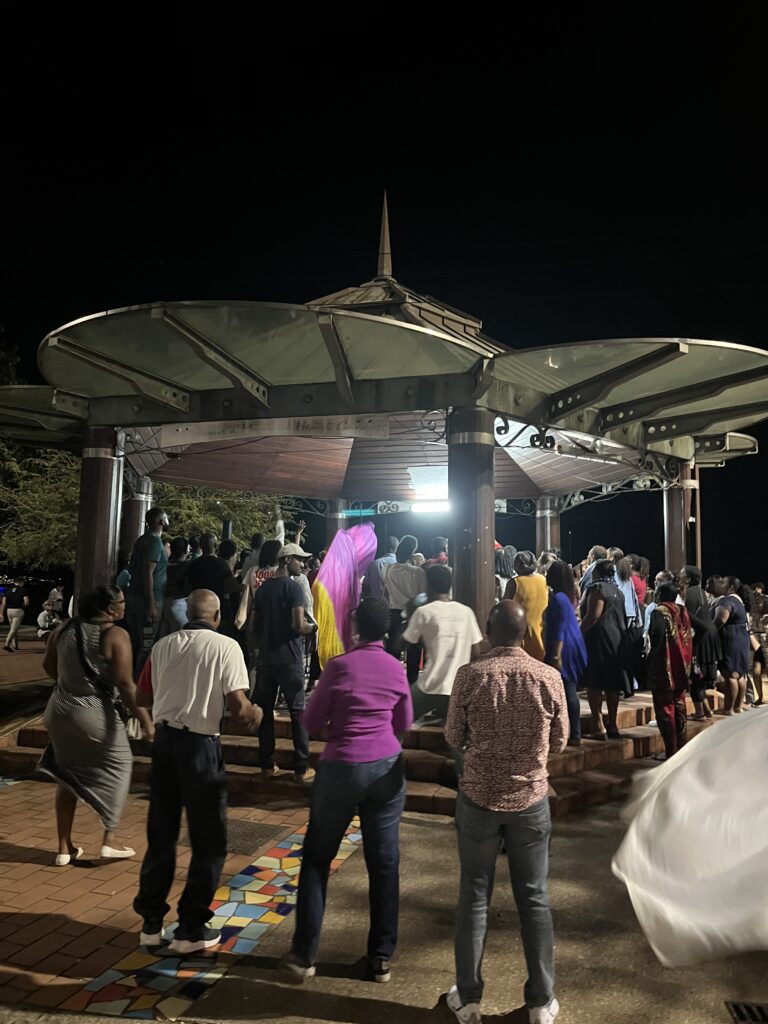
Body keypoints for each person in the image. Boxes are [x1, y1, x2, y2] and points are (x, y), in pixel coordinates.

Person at [445, 600, 567, 1024]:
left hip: (478, 797)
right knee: (534, 900)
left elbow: (453, 736)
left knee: (474, 897)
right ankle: (540, 1000)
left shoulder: (470, 675)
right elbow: (560, 742)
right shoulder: (549, 677)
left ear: (489, 630)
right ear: (525, 631)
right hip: (530, 799)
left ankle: (469, 997)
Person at [281, 598, 413, 982]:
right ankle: (380, 956)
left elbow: (309, 719)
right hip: (385, 768)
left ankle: (305, 955)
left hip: (340, 767)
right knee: (384, 863)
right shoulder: (395, 668)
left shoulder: (338, 667)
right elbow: (403, 721)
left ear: (355, 628)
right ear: (385, 630)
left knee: (318, 860)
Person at [133, 589, 262, 952]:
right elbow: (238, 706)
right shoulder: (226, 647)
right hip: (201, 747)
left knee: (162, 834)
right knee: (208, 841)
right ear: (217, 615)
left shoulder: (163, 646)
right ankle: (190, 927)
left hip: (165, 745)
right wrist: (257, 713)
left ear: (185, 613)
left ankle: (151, 923)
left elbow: (143, 697)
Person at [38, 585, 152, 865]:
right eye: (120, 602)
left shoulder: (62, 629)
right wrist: (146, 720)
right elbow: (125, 684)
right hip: (92, 710)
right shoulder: (115, 634)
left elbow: (49, 668)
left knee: (66, 775)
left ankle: (64, 849)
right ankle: (109, 840)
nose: (124, 606)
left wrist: (71, 681)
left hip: (59, 708)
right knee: (121, 763)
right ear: (107, 608)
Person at [251, 543, 317, 782]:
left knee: (266, 713)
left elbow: (255, 626)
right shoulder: (294, 588)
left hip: (267, 660)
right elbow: (299, 625)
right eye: (299, 559)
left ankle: (267, 765)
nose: (303, 564)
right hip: (290, 659)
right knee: (298, 712)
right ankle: (301, 768)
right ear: (287, 559)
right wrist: (313, 627)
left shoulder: (263, 590)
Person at [402, 565, 484, 725]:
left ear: (428, 586)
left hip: (429, 687)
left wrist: (410, 611)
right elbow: (476, 652)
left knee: (399, 716)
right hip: (457, 688)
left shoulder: (423, 612)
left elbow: (401, 644)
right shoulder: (466, 612)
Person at [581, 558, 628, 739]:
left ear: (597, 572)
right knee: (612, 684)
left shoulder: (597, 588)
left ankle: (598, 725)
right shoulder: (618, 591)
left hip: (598, 639)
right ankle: (613, 724)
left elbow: (593, 615)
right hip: (616, 639)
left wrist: (578, 633)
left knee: (595, 682)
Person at [647, 582, 693, 760]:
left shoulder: (659, 611)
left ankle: (670, 752)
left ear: (661, 594)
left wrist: (650, 661)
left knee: (665, 709)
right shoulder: (682, 611)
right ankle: (681, 749)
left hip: (664, 667)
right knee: (679, 705)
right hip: (682, 666)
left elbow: (657, 637)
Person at [544, 560, 587, 746]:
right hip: (571, 646)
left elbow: (560, 628)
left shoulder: (559, 599)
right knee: (567, 690)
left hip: (564, 650)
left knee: (568, 691)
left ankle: (574, 734)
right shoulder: (566, 597)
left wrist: (556, 655)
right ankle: (569, 733)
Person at [124, 507, 170, 665]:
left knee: (135, 642)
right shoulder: (155, 542)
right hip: (148, 601)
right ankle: (139, 684)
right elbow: (147, 573)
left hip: (133, 597)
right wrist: (151, 604)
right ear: (161, 521)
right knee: (147, 645)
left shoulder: (141, 540)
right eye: (166, 517)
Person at [185, 534, 243, 638]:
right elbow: (231, 587)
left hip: (196, 605)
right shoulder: (220, 564)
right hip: (217, 606)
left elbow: (186, 586)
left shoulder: (193, 564)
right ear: (216, 545)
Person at [680, 565, 719, 719]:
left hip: (701, 637)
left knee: (696, 674)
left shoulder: (689, 593)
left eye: (682, 575)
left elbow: (689, 617)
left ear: (688, 579)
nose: (680, 577)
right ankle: (707, 710)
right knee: (700, 674)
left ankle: (699, 712)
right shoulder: (701, 591)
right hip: (710, 635)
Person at [382, 536, 427, 656]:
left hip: (393, 614)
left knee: (393, 652)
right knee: (414, 652)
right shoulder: (418, 572)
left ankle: (394, 674)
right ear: (411, 554)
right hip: (413, 614)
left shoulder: (386, 570)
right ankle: (412, 675)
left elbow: (385, 592)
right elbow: (424, 596)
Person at [714, 576, 751, 714]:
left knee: (731, 675)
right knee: (740, 675)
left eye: (722, 582)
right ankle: (738, 707)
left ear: (731, 588)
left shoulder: (727, 600)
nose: (719, 583)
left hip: (731, 640)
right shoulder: (739, 601)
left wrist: (711, 630)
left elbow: (721, 618)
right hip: (742, 639)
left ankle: (728, 709)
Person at [504, 551, 548, 661]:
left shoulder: (514, 582)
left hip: (523, 637)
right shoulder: (544, 579)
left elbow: (504, 609)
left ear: (518, 565)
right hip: (544, 634)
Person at [153, 536, 190, 640]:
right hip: (179, 604)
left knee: (159, 638)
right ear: (185, 550)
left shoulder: (163, 564)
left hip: (160, 602)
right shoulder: (186, 566)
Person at [1, 576, 29, 652]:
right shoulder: (23, 590)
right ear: (21, 582)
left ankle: (15, 645)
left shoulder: (8, 590)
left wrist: (1, 613)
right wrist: (21, 605)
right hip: (18, 611)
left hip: (8, 611)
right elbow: (26, 602)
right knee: (14, 629)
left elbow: (3, 603)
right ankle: (7, 644)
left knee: (12, 628)